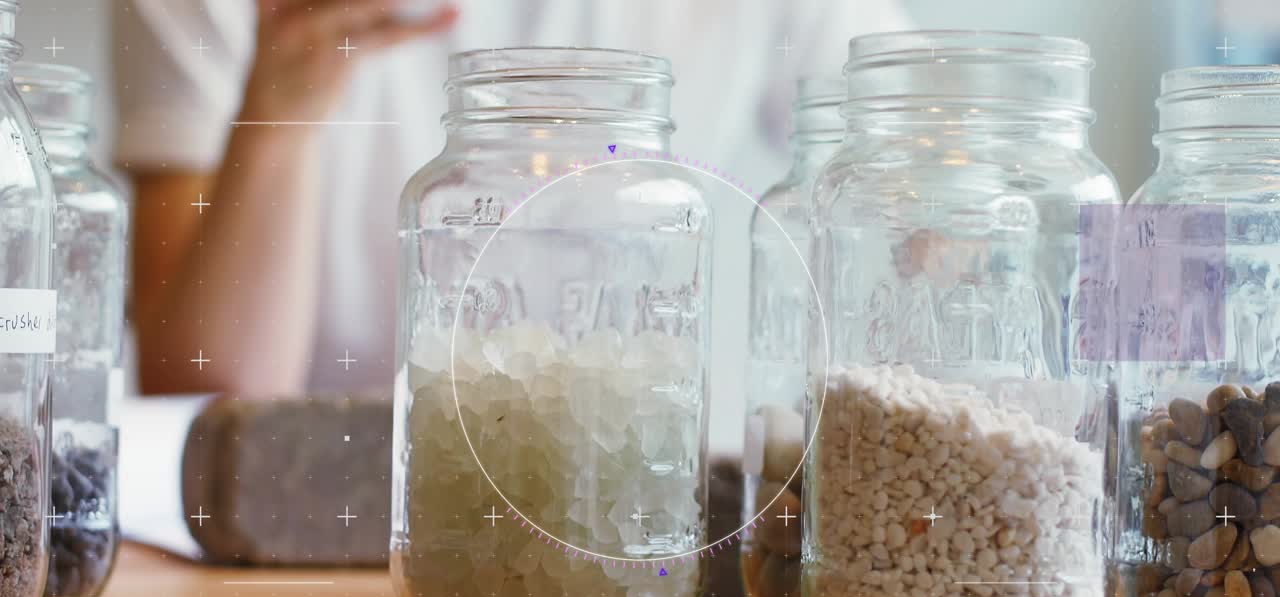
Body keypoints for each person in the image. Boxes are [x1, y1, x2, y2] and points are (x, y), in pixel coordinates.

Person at [112, 0, 910, 397]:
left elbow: (926, 156)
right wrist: (280, 111)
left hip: (616, 502)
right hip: (299, 522)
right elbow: (199, 390)